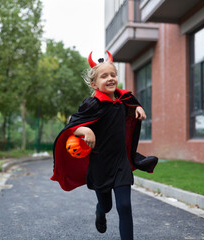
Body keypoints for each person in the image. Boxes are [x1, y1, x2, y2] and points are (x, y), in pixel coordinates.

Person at [51, 51, 158, 240]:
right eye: (104, 76)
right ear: (94, 84)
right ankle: (100, 212)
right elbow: (72, 125)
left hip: (121, 162)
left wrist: (137, 107)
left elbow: (131, 102)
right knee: (107, 205)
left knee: (124, 206)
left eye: (113, 75)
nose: (110, 79)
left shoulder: (124, 100)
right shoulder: (92, 104)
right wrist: (85, 130)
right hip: (100, 164)